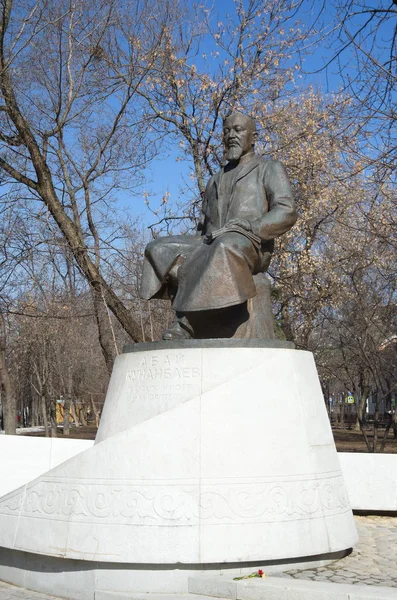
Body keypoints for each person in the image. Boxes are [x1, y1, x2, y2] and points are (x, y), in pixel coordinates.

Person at [140, 111, 297, 339]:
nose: (231, 135)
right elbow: (203, 226)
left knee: (224, 245)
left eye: (238, 130)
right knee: (158, 248)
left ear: (253, 137)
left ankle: (188, 322)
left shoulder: (268, 168)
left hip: (250, 245)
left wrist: (252, 226)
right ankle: (199, 306)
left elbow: (287, 211)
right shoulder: (215, 178)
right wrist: (188, 248)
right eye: (226, 131)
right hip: (212, 241)